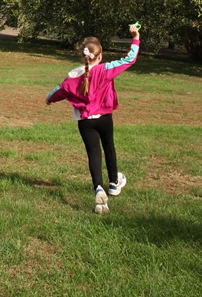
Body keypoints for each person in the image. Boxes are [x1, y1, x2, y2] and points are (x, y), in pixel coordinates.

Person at [46, 24, 141, 214]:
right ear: (100, 55)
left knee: (94, 154)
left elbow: (59, 91)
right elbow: (130, 59)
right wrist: (135, 37)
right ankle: (114, 183)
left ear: (84, 56)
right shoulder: (105, 70)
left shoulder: (73, 75)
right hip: (104, 118)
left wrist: (49, 99)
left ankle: (98, 188)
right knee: (109, 148)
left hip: (85, 122)